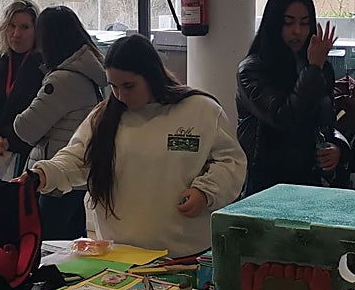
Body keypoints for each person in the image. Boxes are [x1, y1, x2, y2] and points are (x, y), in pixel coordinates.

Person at [28, 34, 246, 258]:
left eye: (129, 86)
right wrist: (43, 174)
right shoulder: (103, 118)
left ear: (152, 76)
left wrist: (205, 191)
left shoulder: (200, 110)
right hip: (118, 254)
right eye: (113, 86)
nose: (121, 95)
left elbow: (231, 162)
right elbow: (76, 159)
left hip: (183, 254)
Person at [236, 0, 348, 196]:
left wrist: (338, 148)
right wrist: (313, 70)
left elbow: (326, 122)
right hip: (268, 182)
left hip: (311, 179)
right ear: (274, 24)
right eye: (288, 23)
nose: (297, 31)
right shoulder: (252, 69)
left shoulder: (319, 67)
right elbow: (283, 117)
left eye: (304, 23)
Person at [12, 5, 106, 240]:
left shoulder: (62, 80)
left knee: (48, 245)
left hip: (55, 177)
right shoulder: (90, 73)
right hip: (78, 176)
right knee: (74, 243)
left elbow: (25, 128)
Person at [0, 0, 45, 189]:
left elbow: (42, 113)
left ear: (36, 31)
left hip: (29, 154)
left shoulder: (44, 65)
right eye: (11, 26)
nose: (16, 33)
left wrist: (8, 139)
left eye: (25, 27)